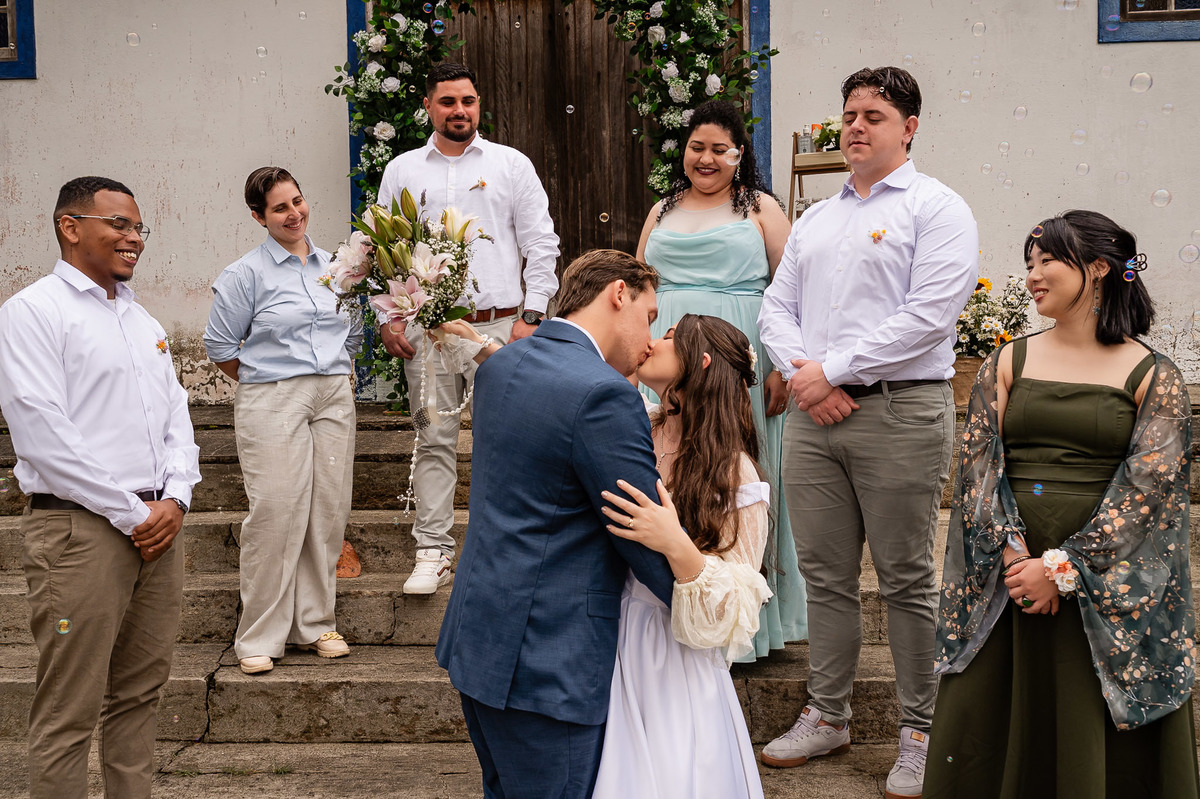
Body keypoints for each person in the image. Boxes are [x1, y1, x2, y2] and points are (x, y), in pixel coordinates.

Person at [757, 66, 979, 799]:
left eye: (874, 115)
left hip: (898, 412)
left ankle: (920, 730)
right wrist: (805, 373)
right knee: (825, 577)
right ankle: (829, 713)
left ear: (909, 127)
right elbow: (774, 307)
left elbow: (927, 316)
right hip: (817, 421)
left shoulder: (937, 209)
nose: (855, 126)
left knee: (908, 579)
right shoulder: (818, 217)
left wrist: (831, 371)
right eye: (849, 113)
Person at [925, 211, 1199, 798]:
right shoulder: (1006, 361)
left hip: (1104, 578)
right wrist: (1015, 557)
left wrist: (1063, 569)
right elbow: (976, 468)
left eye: (1047, 260)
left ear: (1097, 269)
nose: (1032, 275)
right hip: (1010, 577)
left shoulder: (1155, 373)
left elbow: (1152, 489)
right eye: (1030, 263)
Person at [435, 249, 675, 799]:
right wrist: (709, 595)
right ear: (619, 293)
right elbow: (639, 530)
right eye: (650, 315)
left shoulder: (503, 365)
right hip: (549, 660)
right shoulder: (605, 394)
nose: (648, 341)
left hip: (479, 642)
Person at [0, 176, 201, 798]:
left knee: (140, 696)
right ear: (71, 226)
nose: (133, 238)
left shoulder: (142, 320)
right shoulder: (33, 312)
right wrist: (131, 512)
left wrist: (175, 499)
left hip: (156, 529)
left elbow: (177, 417)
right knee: (70, 706)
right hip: (79, 532)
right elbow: (43, 434)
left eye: (139, 227)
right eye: (119, 224)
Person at [375, 61, 561, 595]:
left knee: (504, 441)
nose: (460, 111)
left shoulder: (511, 165)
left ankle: (501, 550)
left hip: (498, 327)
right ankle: (432, 550)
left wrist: (532, 314)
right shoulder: (403, 169)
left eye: (468, 101)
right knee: (432, 437)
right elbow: (384, 246)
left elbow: (540, 241)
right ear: (429, 107)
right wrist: (389, 315)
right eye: (448, 102)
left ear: (479, 105)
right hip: (428, 329)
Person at [636, 99, 806, 660]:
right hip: (665, 353)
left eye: (719, 149)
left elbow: (792, 289)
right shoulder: (660, 210)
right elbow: (638, 286)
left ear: (739, 155)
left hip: (735, 357)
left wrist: (782, 362)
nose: (705, 159)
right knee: (670, 464)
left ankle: (744, 622)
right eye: (696, 147)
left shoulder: (760, 208)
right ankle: (667, 610)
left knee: (733, 475)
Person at [593, 314, 772, 798]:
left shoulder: (736, 472)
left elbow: (736, 607)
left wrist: (674, 540)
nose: (653, 341)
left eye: (670, 337)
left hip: (675, 656)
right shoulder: (635, 426)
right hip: (610, 636)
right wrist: (479, 344)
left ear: (702, 361)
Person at [203, 166, 363, 675]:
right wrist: (270, 377)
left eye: (298, 200)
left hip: (335, 394)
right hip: (273, 396)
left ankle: (317, 624)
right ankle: (259, 635)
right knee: (276, 512)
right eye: (279, 208)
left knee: (328, 510)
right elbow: (222, 347)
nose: (294, 213)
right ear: (258, 216)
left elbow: (353, 330)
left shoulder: (339, 267)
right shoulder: (244, 274)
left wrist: (338, 374)